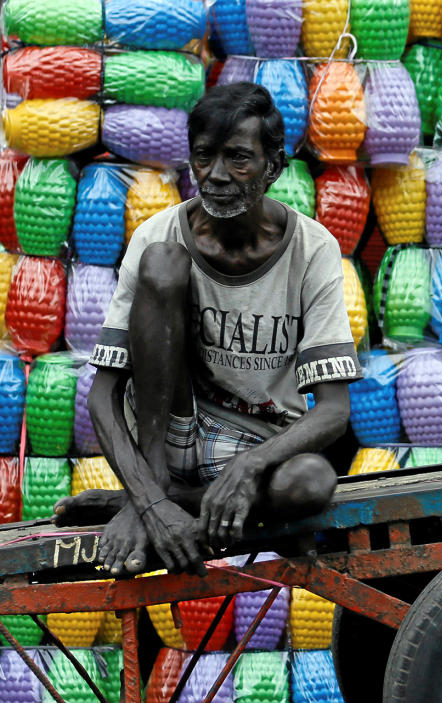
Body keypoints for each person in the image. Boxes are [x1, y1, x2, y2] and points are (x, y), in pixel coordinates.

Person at [54, 83, 360, 576]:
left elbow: (334, 411)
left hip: (256, 445)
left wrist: (249, 465)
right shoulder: (159, 235)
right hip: (168, 430)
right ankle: (154, 489)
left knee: (311, 483)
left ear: (274, 167)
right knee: (163, 264)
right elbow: (102, 395)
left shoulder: (312, 248)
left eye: (238, 158)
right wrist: (149, 500)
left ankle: (161, 499)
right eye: (203, 158)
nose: (216, 176)